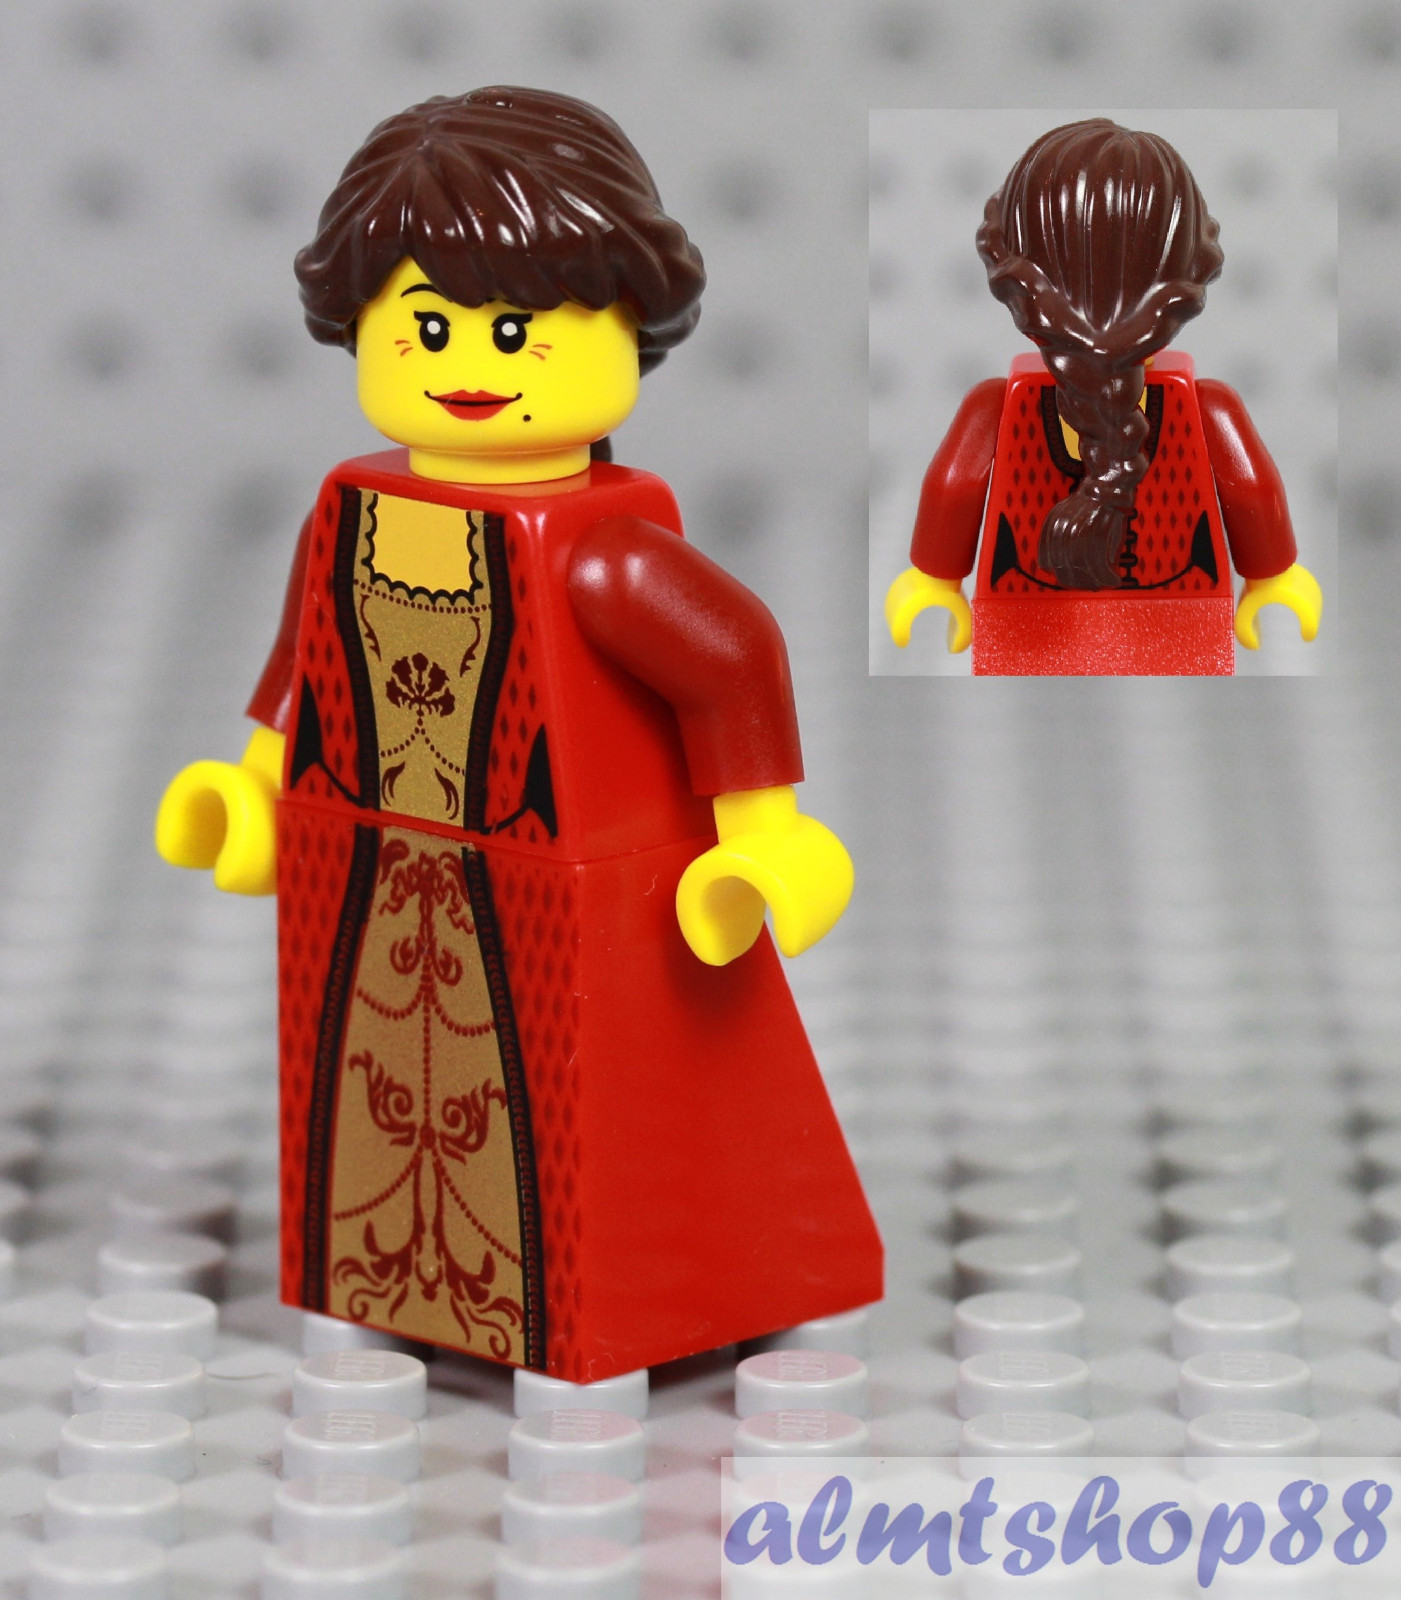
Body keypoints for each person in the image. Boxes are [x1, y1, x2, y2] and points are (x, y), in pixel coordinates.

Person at [157, 88, 881, 1381]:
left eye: (515, 329)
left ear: (629, 318)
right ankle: (391, 1285)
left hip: (587, 899)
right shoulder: (351, 511)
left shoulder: (603, 553)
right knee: (372, 1087)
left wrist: (765, 835)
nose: (471, 363)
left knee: (602, 1102)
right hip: (366, 868)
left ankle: (628, 1307)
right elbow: (307, 654)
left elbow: (731, 655)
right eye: (427, 327)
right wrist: (258, 785)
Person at [885, 119, 1322, 675]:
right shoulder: (1205, 407)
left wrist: (934, 579)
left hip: (1030, 624)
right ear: (1195, 269)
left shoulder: (996, 408)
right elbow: (1251, 486)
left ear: (1007, 271)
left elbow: (954, 486)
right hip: (1177, 625)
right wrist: (1273, 576)